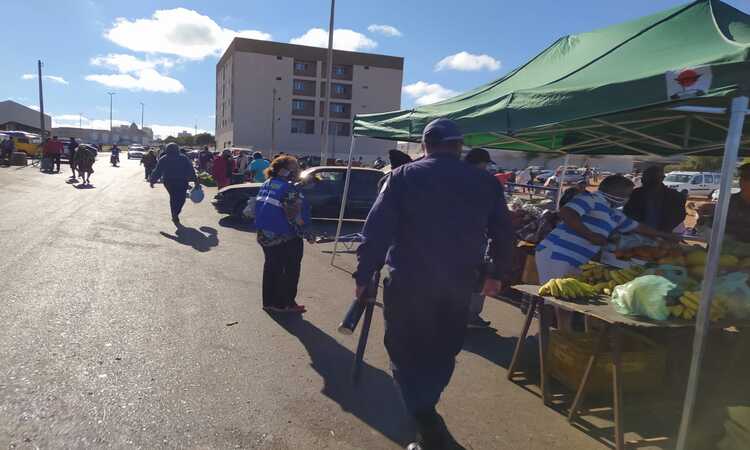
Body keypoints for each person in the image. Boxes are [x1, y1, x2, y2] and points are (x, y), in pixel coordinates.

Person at [354, 118, 514, 450]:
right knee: (443, 350)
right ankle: (427, 411)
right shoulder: (486, 182)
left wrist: (364, 275)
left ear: (425, 145)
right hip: (458, 285)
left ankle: (426, 420)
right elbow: (503, 233)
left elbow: (377, 231)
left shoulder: (401, 177)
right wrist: (496, 274)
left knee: (403, 350)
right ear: (459, 146)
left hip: (408, 282)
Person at [536, 175, 679, 284]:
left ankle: (561, 323)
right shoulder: (589, 199)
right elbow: (566, 213)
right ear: (615, 192)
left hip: (577, 258)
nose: (628, 198)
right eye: (627, 194)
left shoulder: (614, 213)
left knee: (563, 300)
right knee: (553, 298)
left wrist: (665, 235)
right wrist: (590, 235)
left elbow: (638, 227)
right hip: (557, 254)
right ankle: (546, 322)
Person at [254, 155, 312, 314]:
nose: (298, 170)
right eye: (295, 168)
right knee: (289, 270)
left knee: (271, 268)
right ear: (285, 170)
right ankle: (284, 304)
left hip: (265, 234)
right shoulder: (288, 188)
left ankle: (269, 302)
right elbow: (293, 214)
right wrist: (307, 232)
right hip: (284, 235)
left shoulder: (268, 183)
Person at [464, 148, 496, 329]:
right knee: (475, 280)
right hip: (471, 241)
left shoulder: (453, 177)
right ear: (480, 163)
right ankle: (469, 318)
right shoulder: (481, 182)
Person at [149, 142, 199, 227]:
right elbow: (158, 170)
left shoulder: (183, 158)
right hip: (172, 181)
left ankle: (175, 213)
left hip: (179, 181)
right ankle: (175, 214)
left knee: (177, 198)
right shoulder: (165, 159)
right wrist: (152, 180)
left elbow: (190, 170)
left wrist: (195, 180)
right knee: (179, 198)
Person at [623, 166, 687, 232]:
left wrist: (663, 230)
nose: (644, 179)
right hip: (638, 233)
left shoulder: (676, 196)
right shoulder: (636, 193)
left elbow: (679, 216)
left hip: (663, 235)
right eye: (644, 177)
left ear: (662, 178)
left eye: (651, 177)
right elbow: (628, 212)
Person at [725, 163, 750, 243]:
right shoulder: (730, 200)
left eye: (747, 178)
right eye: (741, 177)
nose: (741, 180)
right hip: (727, 251)